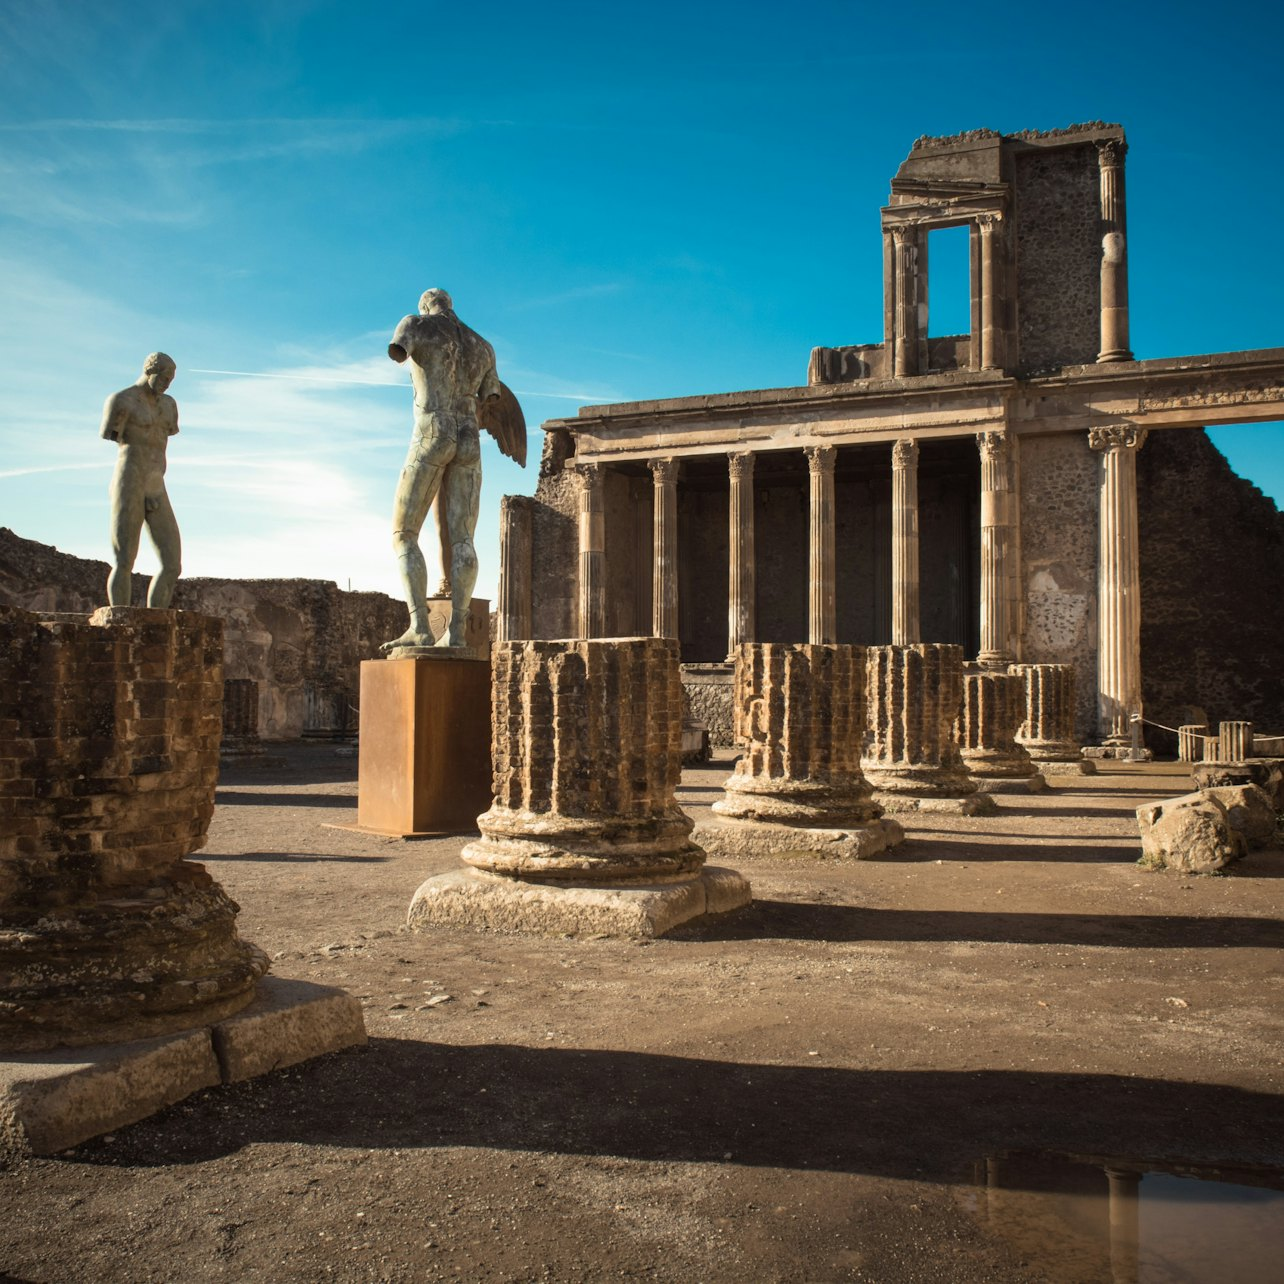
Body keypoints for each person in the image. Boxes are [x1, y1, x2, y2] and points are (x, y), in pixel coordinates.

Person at [382, 289, 501, 652]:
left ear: (425, 304)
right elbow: (490, 399)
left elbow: (397, 351)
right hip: (469, 436)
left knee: (404, 533)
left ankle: (420, 625)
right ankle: (458, 631)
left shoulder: (415, 324)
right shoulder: (483, 346)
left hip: (432, 430)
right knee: (464, 539)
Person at [100, 352, 182, 608]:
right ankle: (119, 624)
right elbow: (111, 434)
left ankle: (156, 623)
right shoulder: (121, 401)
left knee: (172, 564)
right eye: (164, 377)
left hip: (156, 485)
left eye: (171, 379)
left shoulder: (169, 405)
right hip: (129, 480)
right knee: (125, 559)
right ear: (149, 370)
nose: (167, 383)